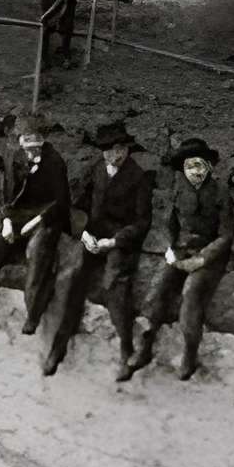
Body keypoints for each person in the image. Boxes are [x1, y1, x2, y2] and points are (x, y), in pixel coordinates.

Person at [43, 119, 155, 377]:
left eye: (119, 149)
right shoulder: (97, 170)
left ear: (126, 149)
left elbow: (142, 222)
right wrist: (83, 234)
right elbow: (80, 205)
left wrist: (115, 241)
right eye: (108, 150)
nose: (114, 155)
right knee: (72, 276)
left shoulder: (139, 177)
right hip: (93, 236)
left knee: (114, 282)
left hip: (119, 240)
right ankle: (58, 347)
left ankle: (126, 350)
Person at [123, 136, 234, 382]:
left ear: (208, 166)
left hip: (210, 257)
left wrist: (202, 259)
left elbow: (226, 236)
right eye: (189, 166)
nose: (194, 172)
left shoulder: (221, 194)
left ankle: (189, 354)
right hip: (182, 250)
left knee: (191, 293)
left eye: (199, 165)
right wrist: (170, 249)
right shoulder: (179, 190)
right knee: (158, 290)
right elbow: (170, 224)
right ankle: (144, 348)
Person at [0, 112, 71, 331]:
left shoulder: (54, 162)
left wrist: (36, 222)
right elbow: (9, 195)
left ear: (42, 141)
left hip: (46, 216)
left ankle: (33, 314)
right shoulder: (17, 159)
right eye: (25, 142)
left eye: (34, 143)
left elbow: (61, 202)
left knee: (37, 252)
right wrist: (7, 220)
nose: (30, 150)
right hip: (20, 214)